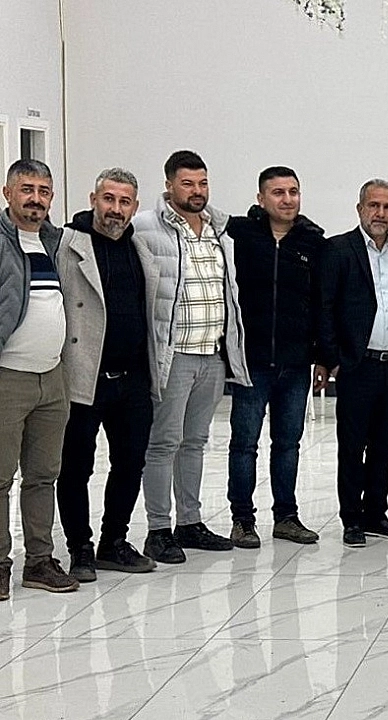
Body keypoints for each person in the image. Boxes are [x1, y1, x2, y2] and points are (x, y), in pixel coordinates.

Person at [134, 150, 252, 564]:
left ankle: (190, 521)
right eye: (187, 183)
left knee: (195, 442)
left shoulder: (219, 229)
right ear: (169, 185)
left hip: (212, 355)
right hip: (174, 356)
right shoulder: (145, 227)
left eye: (202, 183)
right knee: (163, 442)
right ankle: (158, 529)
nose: (196, 191)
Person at [56, 167, 159, 582]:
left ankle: (113, 541)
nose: (115, 209)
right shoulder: (67, 245)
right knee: (75, 467)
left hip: (133, 378)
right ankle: (79, 548)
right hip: (85, 377)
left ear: (135, 206)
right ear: (93, 200)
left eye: (124, 201)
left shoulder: (140, 249)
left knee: (130, 463)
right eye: (108, 199)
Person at [316, 178, 388, 549]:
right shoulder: (338, 250)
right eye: (373, 205)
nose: (380, 213)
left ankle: (375, 513)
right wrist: (333, 359)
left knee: (384, 445)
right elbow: (325, 307)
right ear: (360, 208)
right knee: (352, 446)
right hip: (357, 366)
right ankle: (351, 519)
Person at [225, 166, 326, 548]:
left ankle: (286, 517)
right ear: (261, 198)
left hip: (295, 364)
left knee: (288, 444)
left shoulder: (313, 241)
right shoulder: (240, 235)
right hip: (251, 362)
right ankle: (242, 520)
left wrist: (321, 356)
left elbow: (321, 303)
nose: (287, 199)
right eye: (278, 192)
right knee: (244, 444)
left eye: (293, 192)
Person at [0, 159, 78, 598]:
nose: (36, 199)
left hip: (52, 378)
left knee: (43, 475)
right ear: (8, 192)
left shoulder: (55, 241)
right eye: (27, 189)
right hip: (7, 378)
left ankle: (39, 561)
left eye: (44, 191)